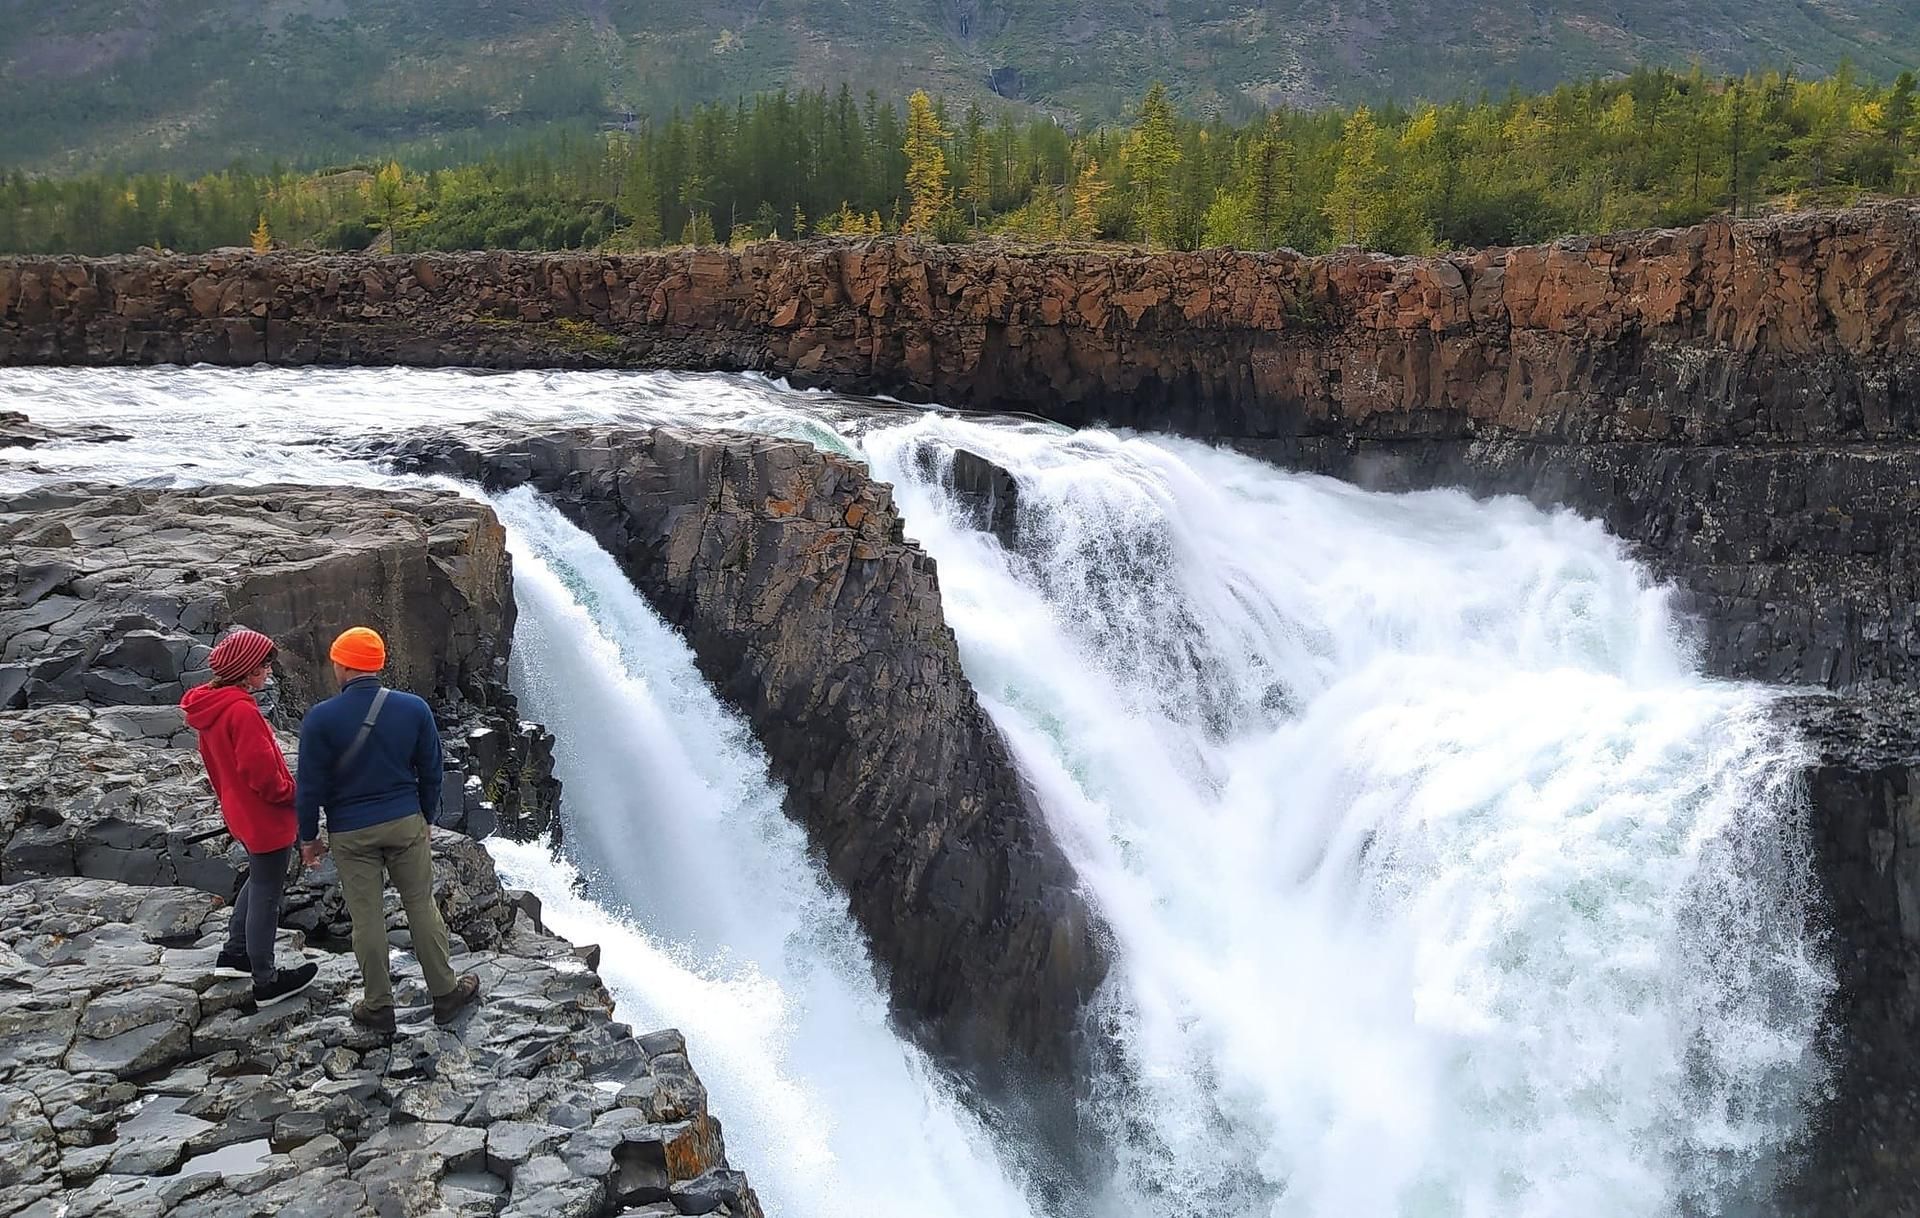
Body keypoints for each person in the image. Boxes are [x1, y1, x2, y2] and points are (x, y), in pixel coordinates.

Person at [296, 626, 479, 1034]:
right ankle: (446, 995)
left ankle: (379, 1006)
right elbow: (432, 770)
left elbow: (308, 787)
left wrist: (309, 838)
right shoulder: (413, 708)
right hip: (404, 822)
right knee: (420, 905)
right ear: (378, 665)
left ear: (342, 666)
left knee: (367, 919)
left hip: (350, 831)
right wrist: (428, 818)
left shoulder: (321, 718)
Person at [180, 627, 320, 1007]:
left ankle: (236, 953)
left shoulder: (210, 705)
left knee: (258, 880)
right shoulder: (241, 710)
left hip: (240, 811)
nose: (269, 672)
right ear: (246, 670)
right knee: (266, 894)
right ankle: (266, 980)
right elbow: (264, 777)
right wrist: (297, 795)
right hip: (265, 817)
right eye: (264, 666)